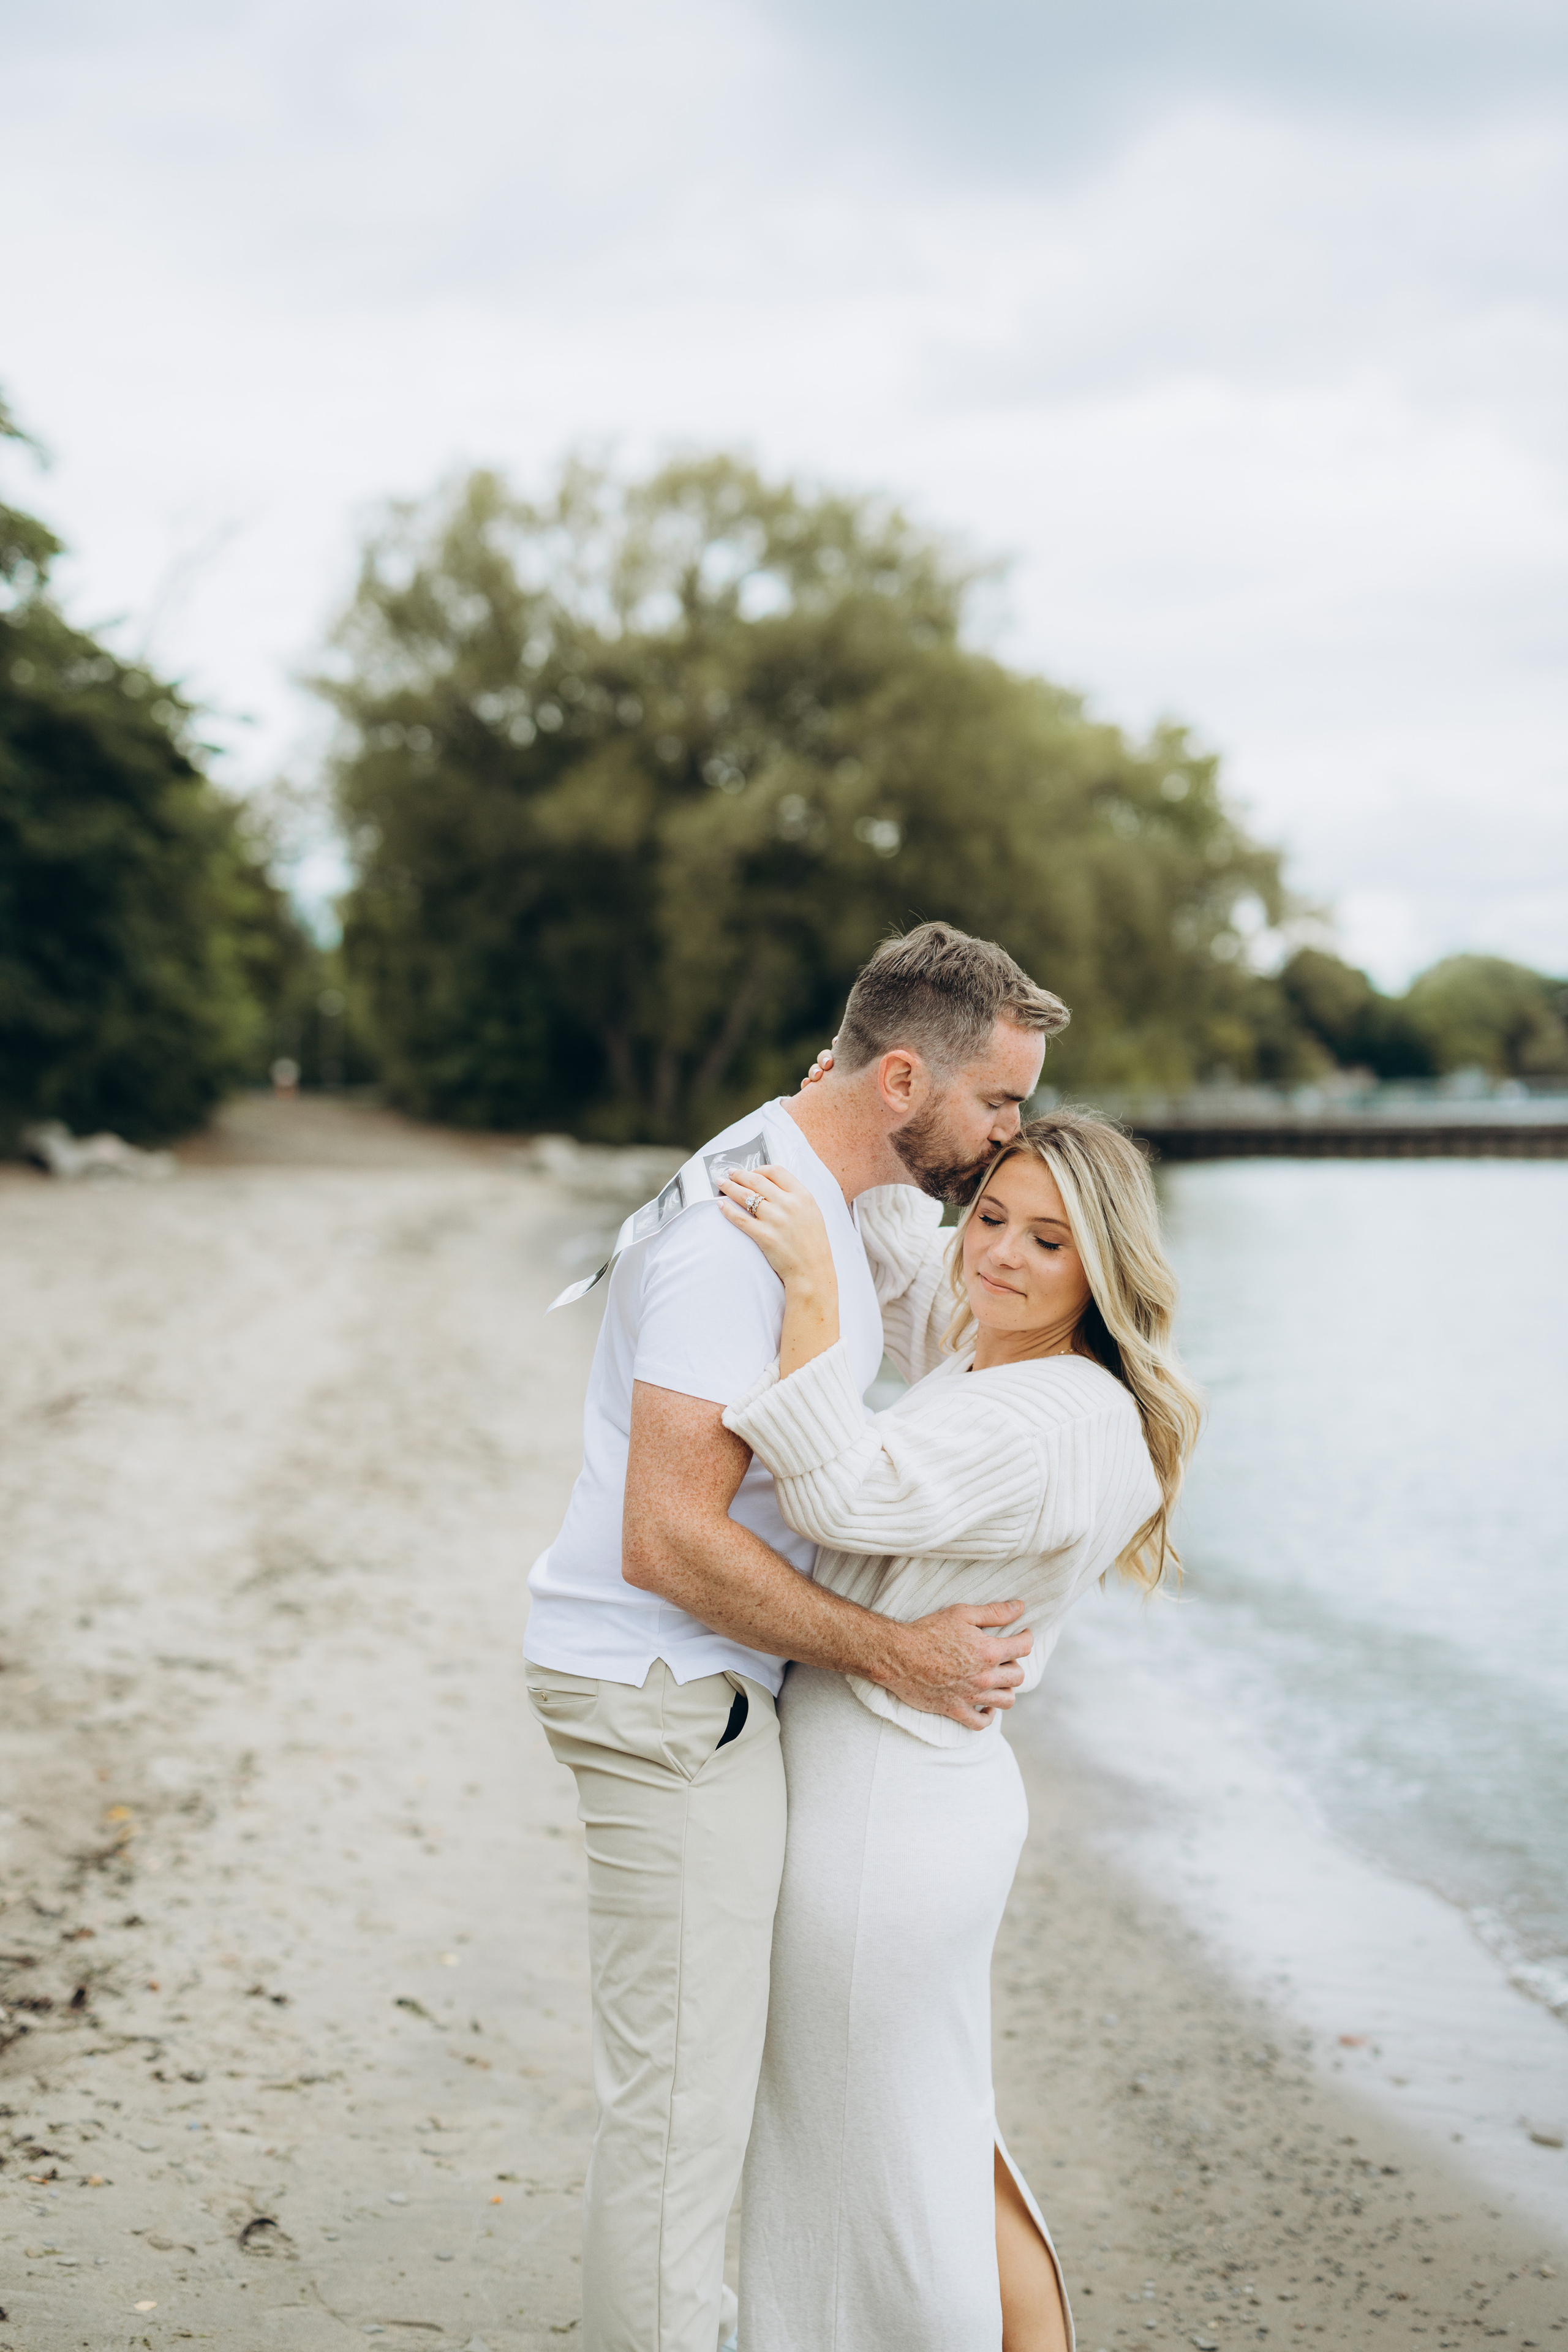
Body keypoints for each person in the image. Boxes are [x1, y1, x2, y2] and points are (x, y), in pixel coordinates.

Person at [523, 923, 1071, 2352]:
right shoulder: (737, 1237)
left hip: (690, 1686)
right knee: (679, 2127)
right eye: (997, 1102)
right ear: (900, 1078)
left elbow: (907, 1333)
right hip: (665, 1691)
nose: (1013, 1129)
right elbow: (670, 1535)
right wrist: (896, 1654)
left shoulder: (815, 1182)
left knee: (698, 2103)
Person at [713, 1105, 1203, 2352]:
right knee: (929, 2140)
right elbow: (909, 1275)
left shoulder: (1048, 1419)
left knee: (888, 2178)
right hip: (905, 1786)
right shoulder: (1001, 1359)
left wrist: (807, 1283)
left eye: (1045, 1240)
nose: (995, 1254)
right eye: (990, 1216)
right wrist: (862, 1103)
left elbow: (841, 1494)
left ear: (1101, 1265)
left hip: (885, 1810)